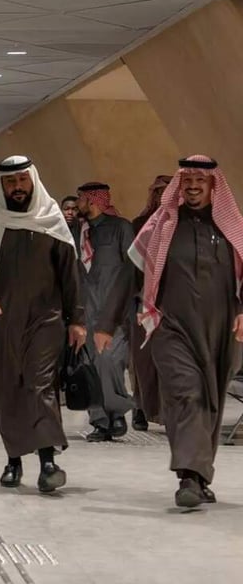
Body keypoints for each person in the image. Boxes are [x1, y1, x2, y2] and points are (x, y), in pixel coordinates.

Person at [96, 155, 243, 508]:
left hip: (222, 330)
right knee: (185, 394)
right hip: (170, 327)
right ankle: (188, 477)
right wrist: (105, 324)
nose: (193, 188)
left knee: (210, 400)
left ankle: (200, 473)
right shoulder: (159, 229)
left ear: (213, 186)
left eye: (200, 182)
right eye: (187, 182)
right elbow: (126, 277)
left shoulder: (232, 229)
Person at [0, 155, 86, 493]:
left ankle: (47, 462)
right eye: (10, 182)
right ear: (2, 185)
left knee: (40, 385)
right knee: (8, 389)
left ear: (33, 181)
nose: (17, 187)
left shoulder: (51, 219)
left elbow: (69, 275)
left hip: (46, 319)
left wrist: (78, 320)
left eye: (22, 180)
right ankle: (14, 459)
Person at [75, 182, 135, 442]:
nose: (78, 204)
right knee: (88, 366)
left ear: (93, 201)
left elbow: (132, 268)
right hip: (84, 311)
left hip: (114, 312)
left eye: (81, 199)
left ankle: (117, 411)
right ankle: (99, 421)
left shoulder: (121, 228)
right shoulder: (76, 231)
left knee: (109, 361)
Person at [128, 175, 172, 430]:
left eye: (165, 192)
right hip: (142, 303)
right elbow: (134, 268)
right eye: (156, 193)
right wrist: (137, 302)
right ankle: (140, 408)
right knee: (141, 361)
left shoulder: (179, 226)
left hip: (172, 304)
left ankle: (166, 412)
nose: (160, 198)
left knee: (168, 360)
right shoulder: (139, 224)